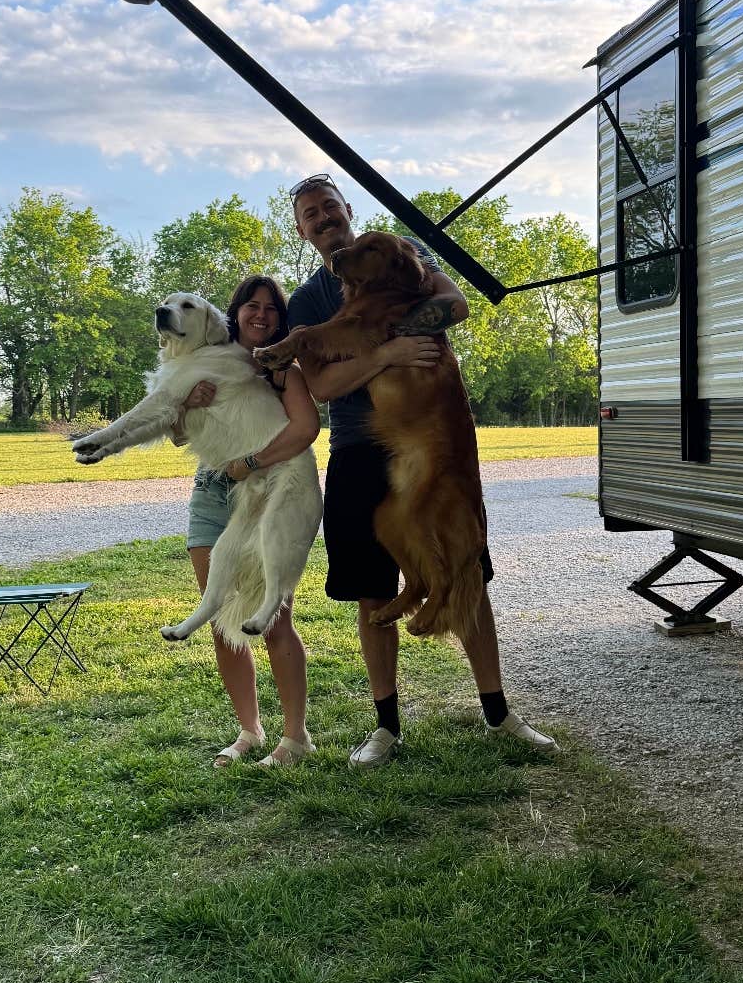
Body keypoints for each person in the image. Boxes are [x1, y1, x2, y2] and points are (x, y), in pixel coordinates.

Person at [279, 176, 556, 767]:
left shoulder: (404, 253)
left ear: (348, 210)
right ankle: (386, 727)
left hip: (435, 438)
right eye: (311, 214)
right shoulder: (306, 303)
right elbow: (323, 384)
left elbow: (453, 305)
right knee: (371, 590)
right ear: (301, 230)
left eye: (330, 206)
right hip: (360, 446)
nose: (324, 218)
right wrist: (387, 353)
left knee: (466, 570)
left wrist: (388, 333)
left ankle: (499, 713)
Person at [173, 274, 320, 769]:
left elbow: (305, 430)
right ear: (233, 314)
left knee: (274, 621)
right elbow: (175, 434)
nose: (261, 315)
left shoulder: (283, 373)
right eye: (251, 306)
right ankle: (249, 732)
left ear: (281, 320)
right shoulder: (209, 363)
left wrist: (252, 463)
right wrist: (186, 407)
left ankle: (295, 737)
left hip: (269, 497)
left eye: (271, 309)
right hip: (211, 496)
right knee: (221, 621)